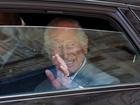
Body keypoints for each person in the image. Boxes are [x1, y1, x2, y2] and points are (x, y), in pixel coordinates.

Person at [35, 18, 120, 91]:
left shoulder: (106, 84)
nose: (65, 54)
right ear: (50, 51)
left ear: (84, 46)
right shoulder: (42, 88)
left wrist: (69, 91)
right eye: (57, 46)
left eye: (71, 45)